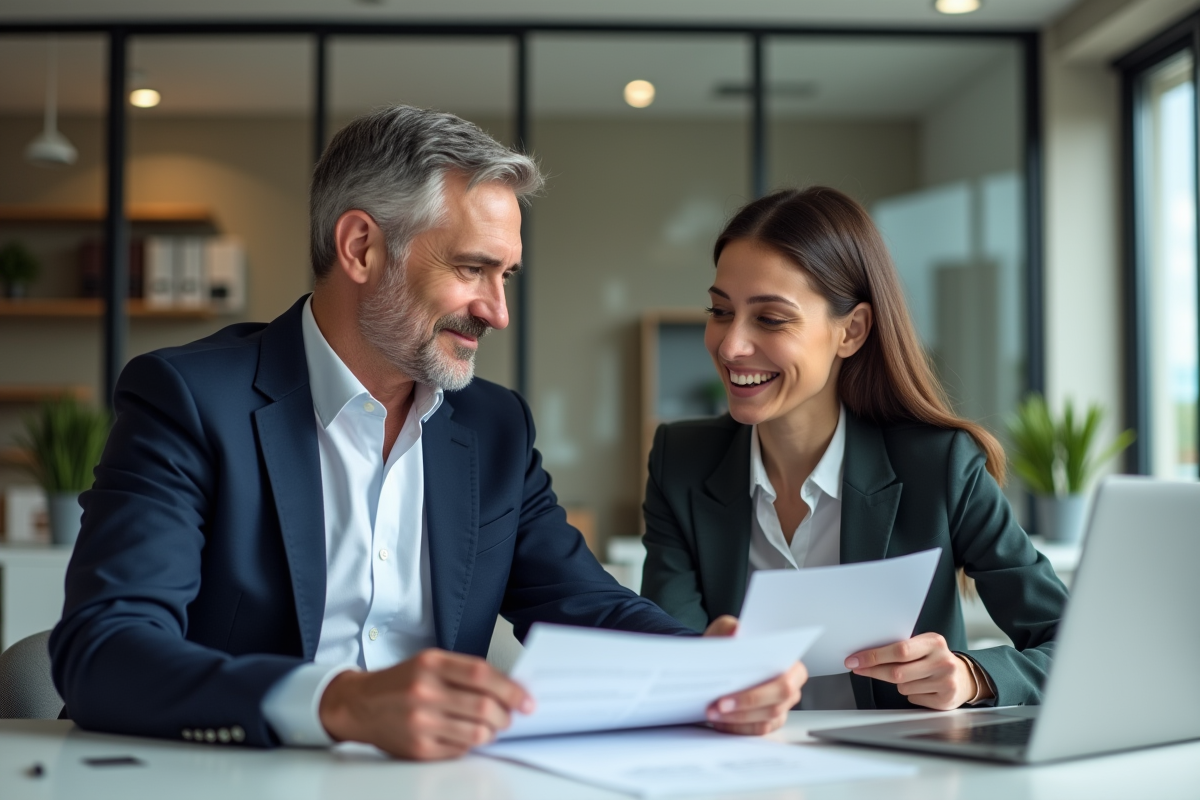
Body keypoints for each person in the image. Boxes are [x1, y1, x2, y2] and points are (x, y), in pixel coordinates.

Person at [50, 106, 806, 760]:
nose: (496, 311)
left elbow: (587, 604)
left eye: (505, 275)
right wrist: (336, 703)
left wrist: (712, 669)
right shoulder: (188, 398)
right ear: (360, 248)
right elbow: (105, 650)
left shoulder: (493, 427)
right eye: (474, 269)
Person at [641, 186, 1069, 712]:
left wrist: (972, 675)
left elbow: (1075, 646)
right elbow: (667, 649)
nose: (730, 346)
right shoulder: (679, 461)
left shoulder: (941, 467)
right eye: (720, 310)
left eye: (771, 318)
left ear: (852, 330)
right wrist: (700, 672)